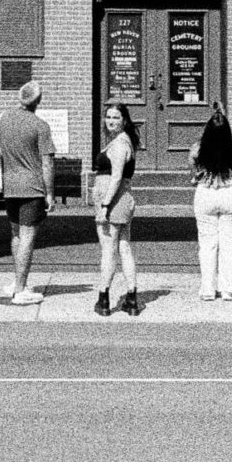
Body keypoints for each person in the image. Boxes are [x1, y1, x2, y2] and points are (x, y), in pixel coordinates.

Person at [0, 79, 57, 306]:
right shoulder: (40, 126)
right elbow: (47, 163)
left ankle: (16, 282)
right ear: (38, 101)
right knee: (28, 237)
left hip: (10, 186)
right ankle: (21, 290)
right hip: (32, 187)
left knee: (16, 234)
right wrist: (50, 193)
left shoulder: (4, 120)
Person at [189, 103, 232, 301]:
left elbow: (193, 174)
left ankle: (207, 290)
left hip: (206, 193)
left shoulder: (197, 149)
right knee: (229, 243)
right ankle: (228, 289)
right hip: (229, 192)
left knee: (207, 244)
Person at [92, 101, 140, 316]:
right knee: (123, 247)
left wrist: (104, 205)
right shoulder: (119, 142)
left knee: (109, 251)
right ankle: (131, 298)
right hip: (118, 201)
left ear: (125, 121)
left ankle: (103, 298)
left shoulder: (121, 145)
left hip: (114, 202)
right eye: (108, 117)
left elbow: (116, 177)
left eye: (116, 117)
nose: (110, 121)